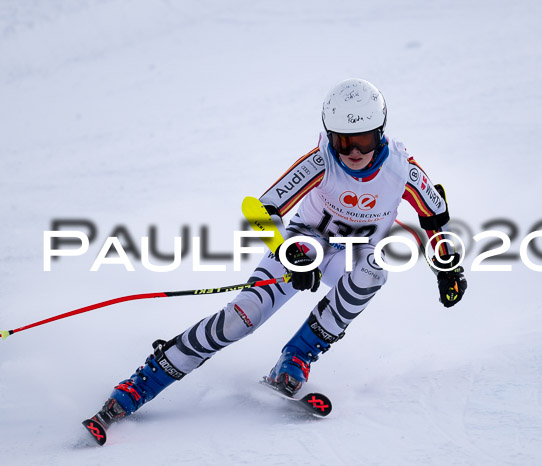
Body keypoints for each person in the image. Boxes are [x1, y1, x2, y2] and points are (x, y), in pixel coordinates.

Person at [86, 78, 467, 432]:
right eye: (342, 141)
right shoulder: (321, 161)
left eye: (363, 140)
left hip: (355, 250)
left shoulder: (403, 170)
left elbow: (434, 219)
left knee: (373, 271)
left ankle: (296, 358)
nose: (352, 152)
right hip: (307, 240)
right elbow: (261, 209)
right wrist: (290, 253)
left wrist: (448, 269)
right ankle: (139, 385)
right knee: (240, 321)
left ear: (380, 133)